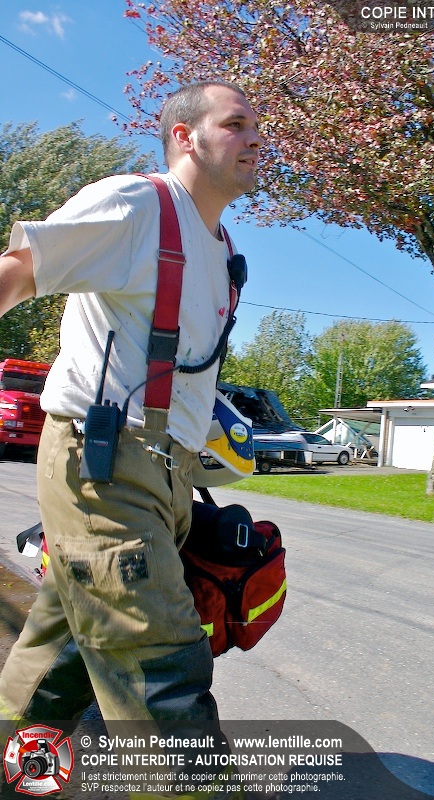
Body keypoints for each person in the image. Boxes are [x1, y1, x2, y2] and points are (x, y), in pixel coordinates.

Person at [0, 80, 262, 797]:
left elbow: (180, 375)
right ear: (184, 136)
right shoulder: (136, 205)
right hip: (103, 465)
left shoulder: (223, 251)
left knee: (60, 663)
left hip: (165, 478)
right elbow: (17, 274)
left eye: (256, 127)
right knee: (161, 671)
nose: (254, 138)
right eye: (235, 123)